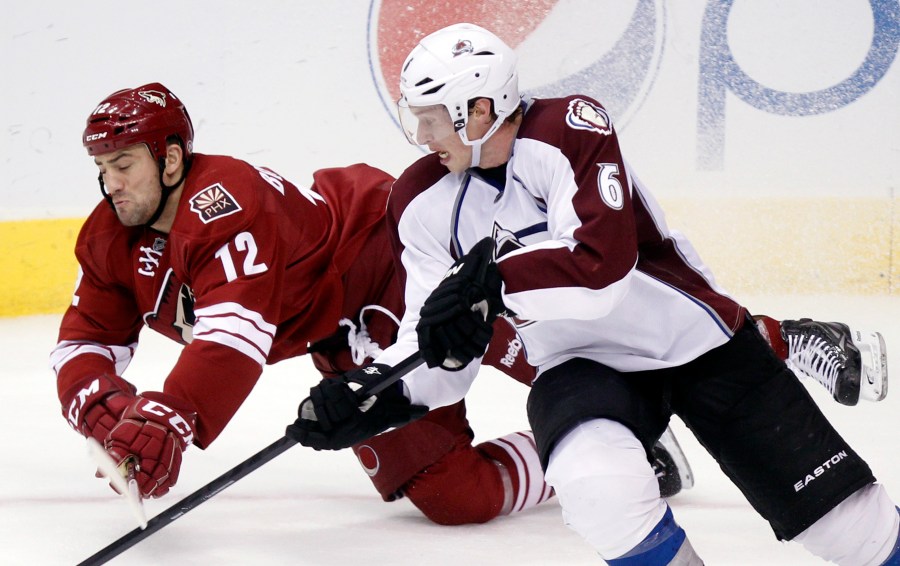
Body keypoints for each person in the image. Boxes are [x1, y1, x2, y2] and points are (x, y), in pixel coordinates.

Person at [289, 24, 899, 564]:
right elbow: (441, 359)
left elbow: (601, 269)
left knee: (851, 532)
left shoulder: (572, 128)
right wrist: (370, 398)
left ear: (478, 110)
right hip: (580, 367)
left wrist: (496, 280)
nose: (420, 136)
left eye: (431, 117)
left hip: (694, 343)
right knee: (595, 484)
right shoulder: (421, 204)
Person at [53, 82, 691, 526]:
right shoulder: (110, 238)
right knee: (454, 498)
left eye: (124, 164)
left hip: (381, 261)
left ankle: (757, 345)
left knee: (572, 353)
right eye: (103, 167)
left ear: (169, 159)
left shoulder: (224, 201)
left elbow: (232, 335)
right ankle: (633, 449)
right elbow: (81, 342)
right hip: (338, 338)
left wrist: (171, 418)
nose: (111, 183)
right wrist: (103, 408)